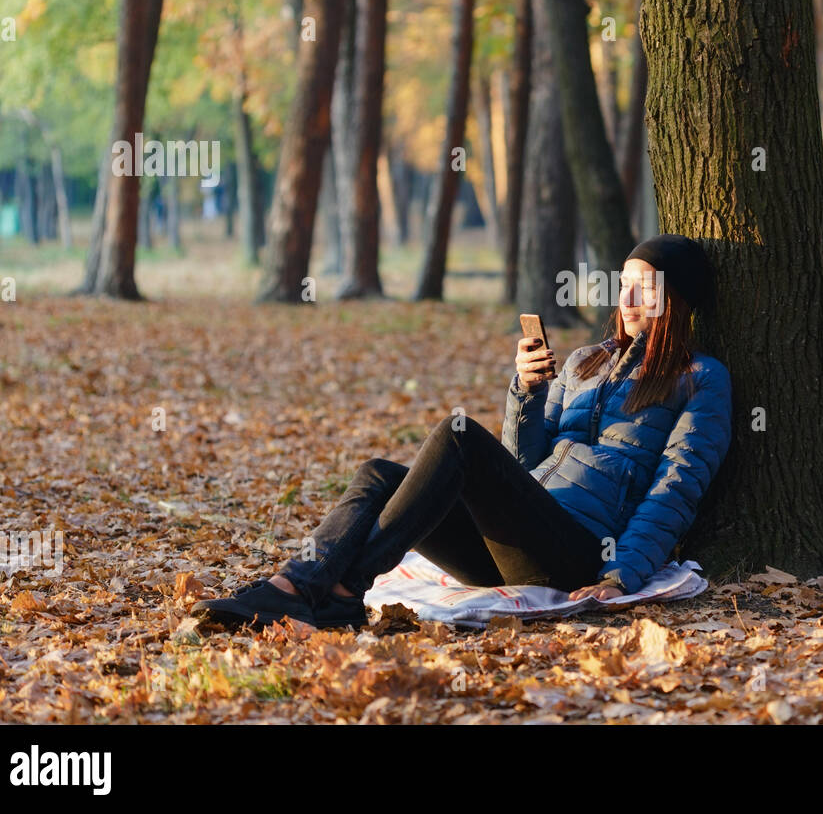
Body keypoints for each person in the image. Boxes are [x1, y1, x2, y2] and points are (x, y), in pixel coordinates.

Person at [192, 234, 734, 631]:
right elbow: (523, 461)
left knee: (458, 437)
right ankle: (295, 584)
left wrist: (619, 576)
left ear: (679, 301)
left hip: (576, 550)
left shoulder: (700, 380)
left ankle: (340, 588)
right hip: (516, 537)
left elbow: (676, 488)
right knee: (379, 473)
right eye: (626, 285)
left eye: (647, 289)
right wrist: (526, 392)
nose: (629, 300)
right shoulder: (585, 362)